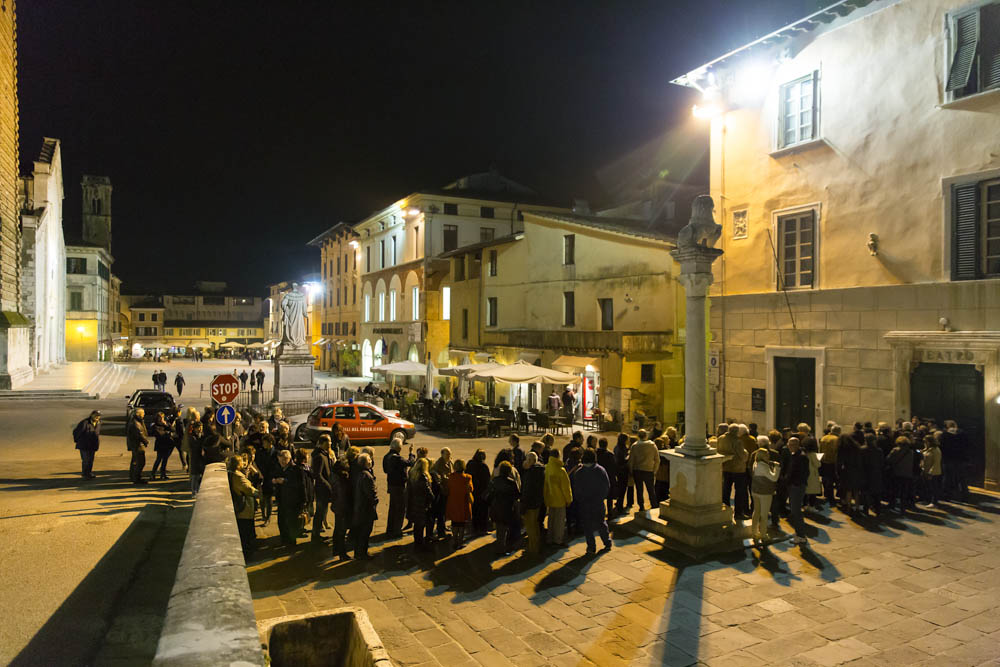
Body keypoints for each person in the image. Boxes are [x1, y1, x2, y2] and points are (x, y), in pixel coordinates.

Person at [573, 448, 612, 554]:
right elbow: (606, 486)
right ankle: (607, 542)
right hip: (597, 503)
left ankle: (591, 546)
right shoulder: (600, 470)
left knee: (587, 526)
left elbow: (576, 489)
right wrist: (600, 498)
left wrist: (581, 499)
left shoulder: (579, 473)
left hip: (585, 504)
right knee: (601, 523)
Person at [750, 441, 780, 547]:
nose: (768, 455)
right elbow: (774, 478)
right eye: (767, 454)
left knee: (756, 511)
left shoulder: (755, 463)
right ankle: (763, 534)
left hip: (755, 491)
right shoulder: (763, 466)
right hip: (765, 492)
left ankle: (754, 532)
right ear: (763, 456)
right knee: (764, 514)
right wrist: (777, 468)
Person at [384, 436, 414, 538]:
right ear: (398, 448)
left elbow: (385, 470)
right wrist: (411, 454)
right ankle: (397, 531)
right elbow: (410, 462)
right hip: (399, 486)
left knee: (392, 508)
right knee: (400, 509)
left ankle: (390, 529)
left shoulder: (386, 457)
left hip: (391, 485)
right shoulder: (397, 458)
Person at [228, 454, 257, 559]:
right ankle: (248, 554)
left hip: (238, 507)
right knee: (246, 532)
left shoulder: (230, 474)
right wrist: (258, 492)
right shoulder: (238, 476)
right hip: (244, 509)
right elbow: (249, 490)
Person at [488, 461, 521, 556]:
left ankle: (500, 546)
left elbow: (488, 495)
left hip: (496, 508)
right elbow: (516, 497)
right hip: (507, 509)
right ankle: (501, 549)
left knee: (499, 529)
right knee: (504, 530)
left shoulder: (494, 481)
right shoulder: (511, 483)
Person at [717, 423, 748, 519]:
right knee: (739, 491)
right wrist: (746, 453)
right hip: (737, 469)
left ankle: (725, 511)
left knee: (726, 490)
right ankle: (738, 513)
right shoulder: (737, 441)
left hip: (725, 467)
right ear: (736, 432)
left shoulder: (721, 438)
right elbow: (742, 456)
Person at [273, 449, 304, 547]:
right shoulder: (279, 468)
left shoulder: (296, 469)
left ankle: (291, 542)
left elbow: (300, 485)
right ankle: (284, 540)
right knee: (281, 521)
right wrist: (274, 481)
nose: (282, 462)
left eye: (284, 460)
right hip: (282, 500)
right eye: (280, 460)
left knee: (291, 523)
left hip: (293, 501)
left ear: (289, 459)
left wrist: (284, 481)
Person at [544, 449, 572, 546]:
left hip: (550, 498)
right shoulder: (561, 470)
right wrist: (569, 500)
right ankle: (558, 539)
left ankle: (549, 538)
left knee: (551, 520)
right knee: (559, 521)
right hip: (560, 500)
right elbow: (566, 487)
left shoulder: (547, 468)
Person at [352, 453, 378, 560]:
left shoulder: (360, 473)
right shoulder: (367, 476)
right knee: (365, 531)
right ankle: (362, 553)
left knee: (361, 532)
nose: (371, 462)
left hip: (361, 508)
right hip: (366, 509)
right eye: (369, 460)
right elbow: (371, 494)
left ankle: (359, 552)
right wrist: (375, 500)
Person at [785, 436, 810, 544]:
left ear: (797, 445)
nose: (789, 446)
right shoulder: (796, 455)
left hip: (797, 486)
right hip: (795, 486)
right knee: (794, 510)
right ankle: (798, 532)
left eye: (792, 445)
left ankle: (801, 536)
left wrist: (793, 482)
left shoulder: (801, 457)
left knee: (796, 511)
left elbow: (803, 473)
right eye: (789, 444)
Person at [628, 429, 660, 512]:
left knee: (639, 490)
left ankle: (641, 506)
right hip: (649, 470)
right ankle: (654, 505)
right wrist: (655, 470)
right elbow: (657, 459)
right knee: (651, 489)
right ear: (646, 435)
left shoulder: (634, 446)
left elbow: (631, 460)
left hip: (637, 470)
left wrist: (631, 470)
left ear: (638, 436)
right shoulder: (652, 445)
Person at [520, 452, 546, 555]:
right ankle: (535, 546)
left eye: (527, 459)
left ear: (531, 460)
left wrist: (523, 504)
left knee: (531, 527)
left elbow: (527, 490)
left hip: (530, 503)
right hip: (537, 502)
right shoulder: (540, 470)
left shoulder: (531, 473)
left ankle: (533, 548)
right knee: (535, 525)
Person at [407, 458, 434, 551]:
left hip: (414, 503)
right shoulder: (423, 476)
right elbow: (427, 491)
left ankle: (417, 543)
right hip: (422, 504)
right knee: (422, 525)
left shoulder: (412, 475)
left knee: (417, 526)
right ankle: (420, 545)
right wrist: (432, 498)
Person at [446, 459, 474, 548]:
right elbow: (471, 489)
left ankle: (454, 541)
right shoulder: (468, 477)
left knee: (454, 523)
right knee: (462, 524)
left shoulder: (450, 476)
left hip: (453, 502)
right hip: (463, 502)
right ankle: (460, 542)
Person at [311, 434, 334, 542]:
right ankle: (315, 535)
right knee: (320, 512)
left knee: (322, 511)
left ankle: (317, 533)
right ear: (322, 443)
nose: (330, 443)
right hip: (322, 489)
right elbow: (318, 474)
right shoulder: (319, 456)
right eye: (328, 441)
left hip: (324, 489)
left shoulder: (325, 454)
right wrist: (328, 485)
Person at [836, 425, 863, 513]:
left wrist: (838, 472)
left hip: (847, 471)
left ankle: (848, 506)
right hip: (857, 471)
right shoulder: (856, 447)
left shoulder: (842, 449)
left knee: (848, 490)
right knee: (856, 490)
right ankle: (857, 507)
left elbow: (839, 462)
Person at [886, 435, 915, 513]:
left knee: (894, 490)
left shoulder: (895, 450)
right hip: (907, 474)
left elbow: (889, 459)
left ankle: (892, 504)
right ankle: (903, 508)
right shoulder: (910, 452)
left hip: (897, 473)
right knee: (904, 492)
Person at [331, 457, 352, 560]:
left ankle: (336, 549)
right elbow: (343, 495)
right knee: (341, 531)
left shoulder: (334, 476)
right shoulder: (343, 479)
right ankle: (342, 553)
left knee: (338, 529)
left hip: (337, 506)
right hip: (342, 507)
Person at [466, 449, 491, 535]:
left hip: (473, 492)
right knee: (483, 512)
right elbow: (488, 480)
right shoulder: (484, 466)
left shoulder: (470, 464)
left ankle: (475, 528)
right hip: (482, 493)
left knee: (474, 511)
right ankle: (483, 529)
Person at [431, 448, 453, 539]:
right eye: (447, 454)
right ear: (442, 454)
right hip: (442, 491)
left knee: (444, 511)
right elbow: (438, 477)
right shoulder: (439, 463)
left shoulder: (449, 462)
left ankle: (442, 527)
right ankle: (441, 531)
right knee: (441, 512)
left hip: (448, 490)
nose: (449, 456)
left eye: (449, 454)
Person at [73, 410, 102, 479]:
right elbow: (76, 432)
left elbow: (97, 434)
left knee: (91, 460)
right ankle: (85, 474)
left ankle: (89, 473)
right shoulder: (84, 423)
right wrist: (78, 441)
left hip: (93, 445)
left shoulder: (98, 423)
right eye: (95, 415)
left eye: (98, 416)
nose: (97, 417)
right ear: (91, 415)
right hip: (84, 445)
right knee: (86, 460)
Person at [859, 432, 883, 516]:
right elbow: (881, 463)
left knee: (865, 492)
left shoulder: (862, 449)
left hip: (865, 473)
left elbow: (860, 462)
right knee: (876, 493)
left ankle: (865, 509)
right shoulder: (879, 450)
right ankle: (878, 509)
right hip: (876, 473)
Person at [596, 438, 617, 520]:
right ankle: (610, 513)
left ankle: (599, 514)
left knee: (599, 497)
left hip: (598, 477)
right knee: (609, 497)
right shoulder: (610, 455)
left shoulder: (596, 453)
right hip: (609, 477)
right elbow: (614, 467)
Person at [127, 408, 150, 485]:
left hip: (137, 445)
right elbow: (140, 434)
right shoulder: (135, 423)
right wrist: (146, 441)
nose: (144, 415)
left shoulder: (138, 421)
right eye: (143, 413)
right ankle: (136, 478)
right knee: (140, 462)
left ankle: (134, 476)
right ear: (139, 414)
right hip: (138, 445)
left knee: (135, 461)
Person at [819, 424, 840, 505]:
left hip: (823, 460)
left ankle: (826, 494)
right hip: (832, 462)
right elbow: (836, 451)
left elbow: (820, 449)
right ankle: (831, 497)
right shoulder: (836, 439)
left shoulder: (824, 438)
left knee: (825, 478)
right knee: (831, 480)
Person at [150, 412, 175, 480]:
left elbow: (173, 429)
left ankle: (163, 474)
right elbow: (159, 434)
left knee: (165, 460)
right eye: (160, 418)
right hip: (160, 445)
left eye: (162, 417)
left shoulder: (166, 424)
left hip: (167, 444)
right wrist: (167, 433)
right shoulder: (155, 426)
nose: (161, 419)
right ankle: (153, 473)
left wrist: (166, 425)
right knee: (158, 459)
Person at [920, 433, 943, 508]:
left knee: (933, 487)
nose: (925, 443)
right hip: (925, 470)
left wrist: (931, 472)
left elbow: (936, 462)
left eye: (926, 441)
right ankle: (927, 499)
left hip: (933, 472)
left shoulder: (936, 450)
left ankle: (934, 501)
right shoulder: (927, 449)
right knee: (927, 486)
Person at [613, 433, 633, 514]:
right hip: (623, 471)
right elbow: (622, 460)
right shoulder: (622, 449)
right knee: (622, 489)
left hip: (618, 470)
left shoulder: (617, 447)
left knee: (620, 488)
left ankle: (618, 503)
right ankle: (620, 506)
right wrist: (628, 457)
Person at [654, 437, 671, 503]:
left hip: (659, 473)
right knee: (664, 489)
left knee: (658, 487)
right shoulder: (664, 452)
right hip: (664, 474)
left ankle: (657, 500)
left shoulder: (655, 451)